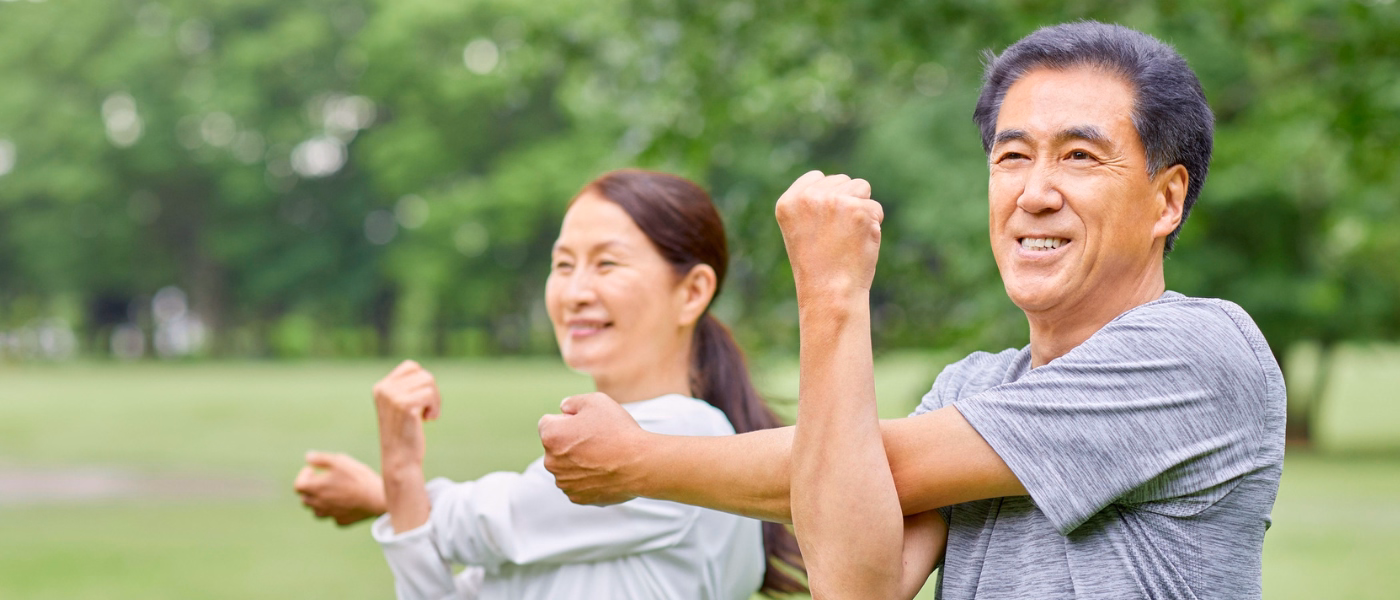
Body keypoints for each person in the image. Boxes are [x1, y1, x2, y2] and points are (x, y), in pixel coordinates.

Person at [538, 21, 1285, 600]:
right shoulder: (970, 387)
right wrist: (831, 305)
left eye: (1080, 157)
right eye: (1012, 156)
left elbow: (880, 461)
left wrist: (640, 460)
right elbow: (857, 581)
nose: (1034, 192)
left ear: (1167, 198)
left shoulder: (1200, 352)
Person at [293, 170, 806, 599]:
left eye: (607, 263)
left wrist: (386, 488)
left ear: (692, 292)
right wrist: (400, 478)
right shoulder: (594, 486)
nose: (576, 291)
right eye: (563, 264)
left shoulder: (686, 435)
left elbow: (484, 523)